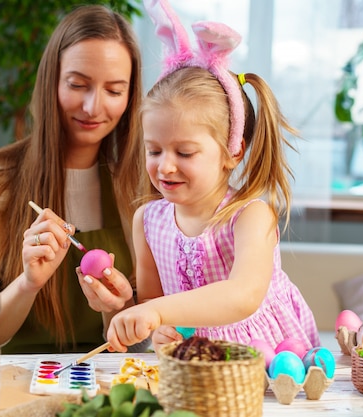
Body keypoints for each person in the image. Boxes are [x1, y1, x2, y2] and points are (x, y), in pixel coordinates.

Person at [106, 0, 320, 353]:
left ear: (233, 151)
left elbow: (242, 296)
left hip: (266, 357)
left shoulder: (250, 215)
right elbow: (155, 305)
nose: (165, 166)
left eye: (185, 153)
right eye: (154, 150)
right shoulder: (147, 221)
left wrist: (155, 312)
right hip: (196, 364)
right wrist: (159, 328)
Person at [0, 4, 150, 354]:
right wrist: (28, 283)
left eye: (113, 90)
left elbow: (138, 341)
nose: (94, 107)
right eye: (78, 84)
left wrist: (115, 309)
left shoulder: (139, 189)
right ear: (51, 82)